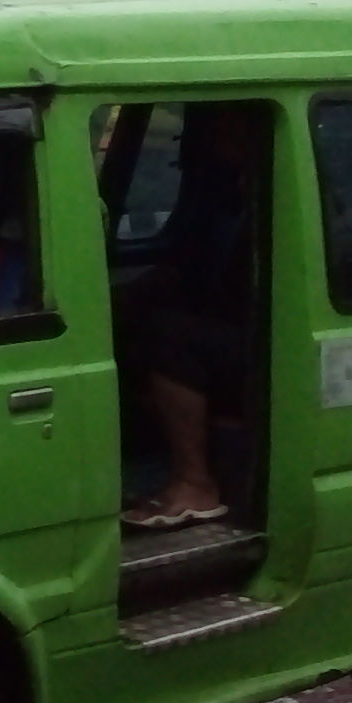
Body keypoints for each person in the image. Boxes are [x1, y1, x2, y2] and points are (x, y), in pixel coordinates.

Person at [116, 105, 262, 531]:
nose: (217, 131)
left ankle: (195, 484)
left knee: (169, 336)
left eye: (228, 121)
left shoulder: (278, 195)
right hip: (223, 326)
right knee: (138, 318)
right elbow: (183, 268)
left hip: (266, 345)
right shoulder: (218, 194)